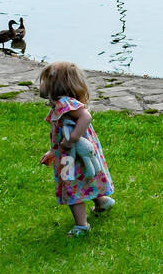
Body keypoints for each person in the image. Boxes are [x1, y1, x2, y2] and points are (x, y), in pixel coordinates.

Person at [38, 61, 115, 237]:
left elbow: (85, 117)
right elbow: (62, 131)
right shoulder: (61, 104)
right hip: (69, 153)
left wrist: (72, 140)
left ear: (56, 85)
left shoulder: (65, 103)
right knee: (85, 179)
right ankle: (102, 202)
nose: (40, 85)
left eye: (43, 81)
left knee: (71, 185)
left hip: (72, 154)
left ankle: (81, 225)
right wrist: (53, 151)